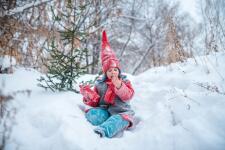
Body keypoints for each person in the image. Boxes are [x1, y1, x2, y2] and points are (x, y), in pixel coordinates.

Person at [79, 30, 135, 138]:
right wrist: (89, 94)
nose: (113, 72)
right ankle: (103, 121)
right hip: (105, 111)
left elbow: (128, 95)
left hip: (121, 113)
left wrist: (119, 85)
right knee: (92, 115)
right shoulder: (100, 84)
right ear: (105, 72)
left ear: (119, 70)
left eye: (115, 70)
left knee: (116, 120)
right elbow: (95, 101)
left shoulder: (124, 82)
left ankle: (103, 131)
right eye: (110, 71)